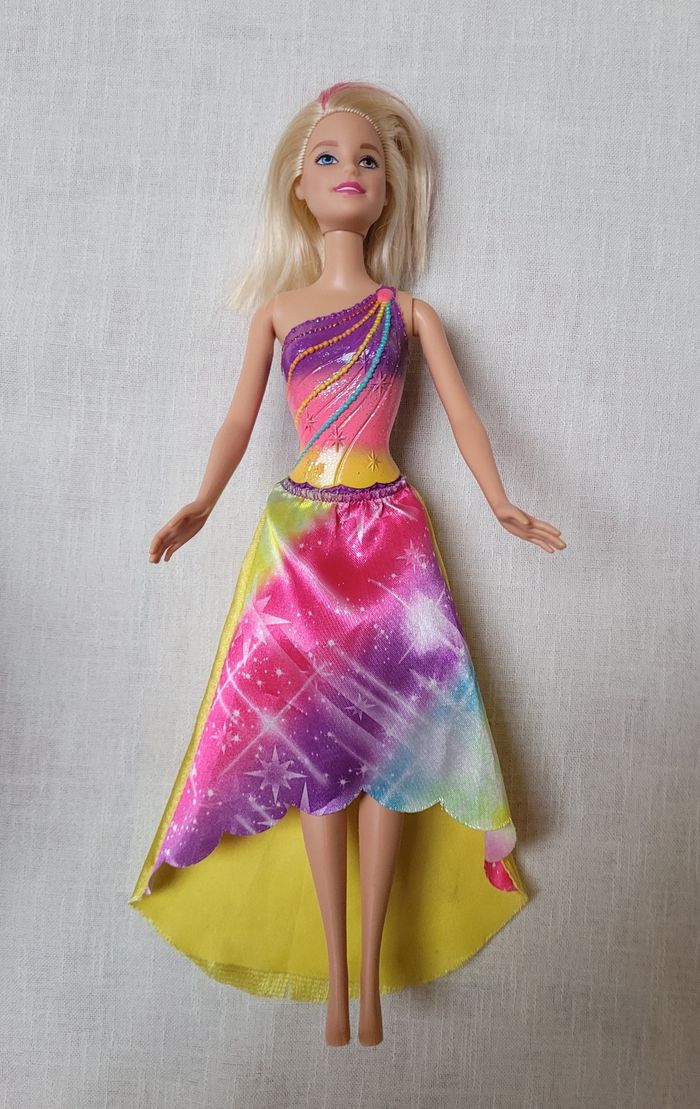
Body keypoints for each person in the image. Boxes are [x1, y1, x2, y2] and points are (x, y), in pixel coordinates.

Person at [128, 81, 566, 1048]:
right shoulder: (280, 313)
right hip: (302, 538)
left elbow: (463, 416)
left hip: (390, 534)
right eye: (328, 156)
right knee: (313, 747)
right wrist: (202, 500)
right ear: (298, 183)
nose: (350, 171)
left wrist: (501, 501)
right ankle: (339, 975)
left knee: (398, 748)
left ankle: (368, 975)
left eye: (368, 158)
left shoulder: (408, 313)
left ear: (389, 186)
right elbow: (239, 419)